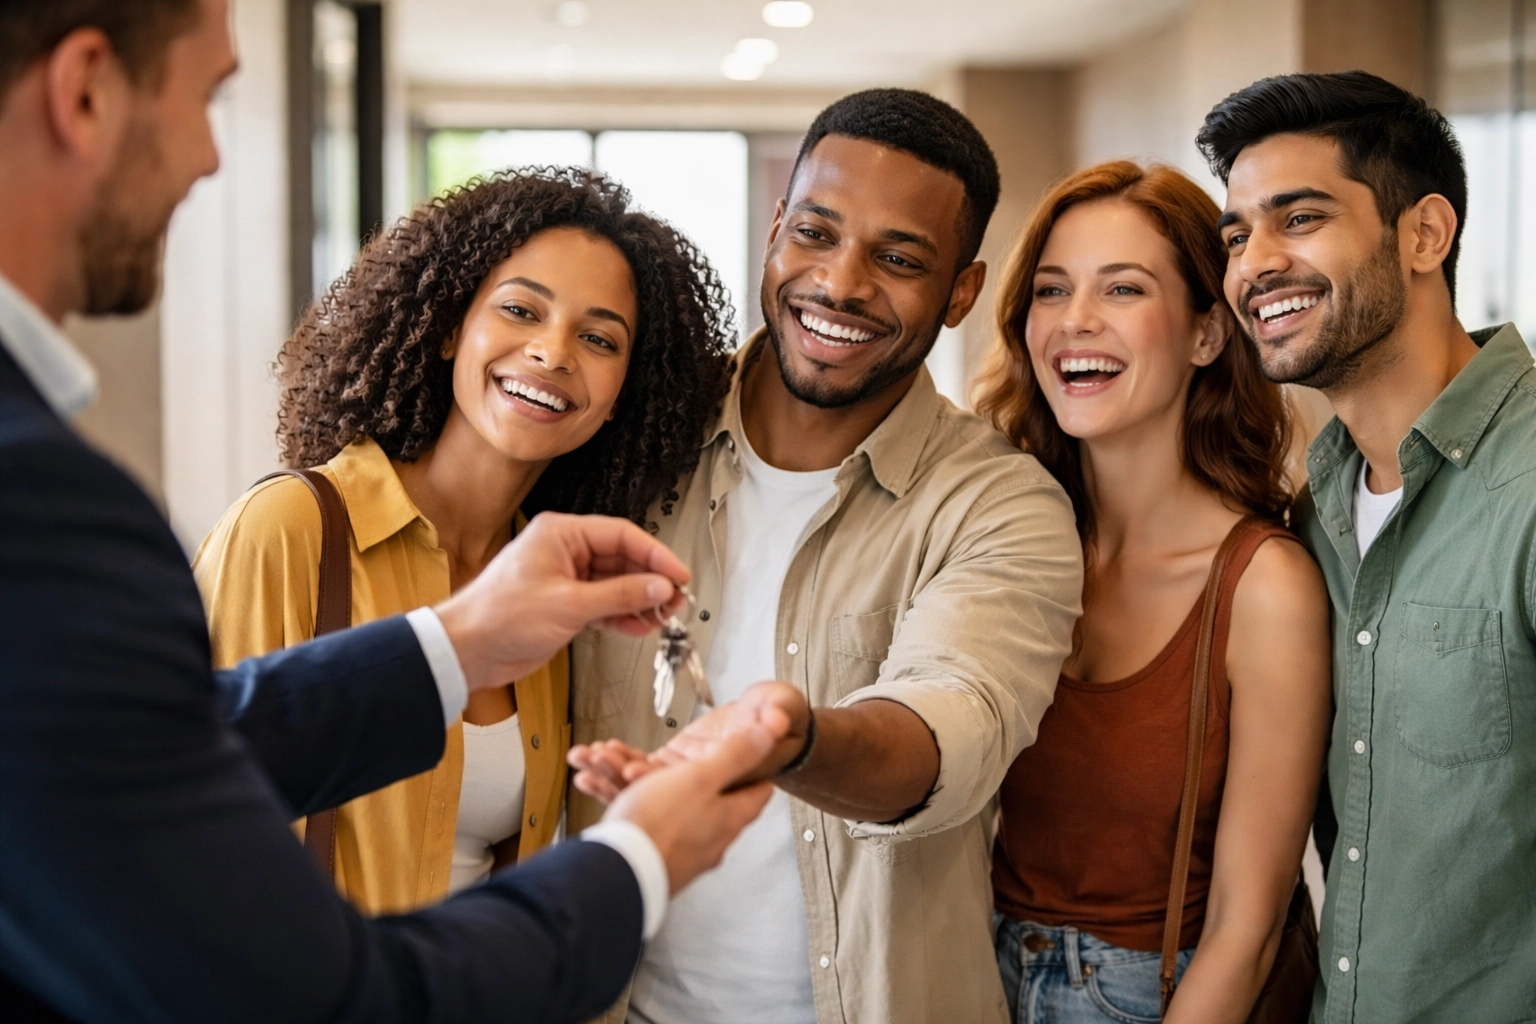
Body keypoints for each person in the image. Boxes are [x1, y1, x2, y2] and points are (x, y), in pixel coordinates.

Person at [0, 2, 783, 1021]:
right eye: (206, 99)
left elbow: (173, 747)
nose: (209, 158)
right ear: (86, 88)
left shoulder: (541, 593)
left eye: (601, 337)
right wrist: (645, 849)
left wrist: (459, 639)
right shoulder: (55, 507)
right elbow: (310, 988)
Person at [567, 88, 1083, 1024]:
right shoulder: (636, 436)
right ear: (775, 229)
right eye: (816, 232)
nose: (841, 284)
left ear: (961, 292)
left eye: (898, 258)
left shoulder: (999, 504)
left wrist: (788, 736)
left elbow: (949, 731)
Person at [194, 167, 734, 912]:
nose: (552, 353)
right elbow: (184, 810)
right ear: (452, 328)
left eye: (599, 338)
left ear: (622, 397)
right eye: (521, 310)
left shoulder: (552, 590)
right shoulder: (292, 528)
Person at [1198, 70, 1536, 1022]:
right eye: (1237, 235)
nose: (1254, 265)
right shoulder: (1315, 515)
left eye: (1298, 219)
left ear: (1424, 233)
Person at [972, 160, 1331, 1024]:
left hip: (1151, 997)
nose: (1075, 322)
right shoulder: (1003, 546)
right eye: (1051, 291)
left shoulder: (1264, 585)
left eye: (1123, 288)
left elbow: (1246, 931)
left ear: (1208, 334)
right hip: (974, 975)